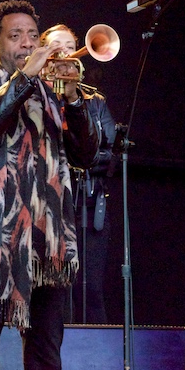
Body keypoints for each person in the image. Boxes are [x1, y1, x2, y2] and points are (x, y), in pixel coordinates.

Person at [0, 0, 99, 370]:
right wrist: (23, 81)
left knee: (47, 365)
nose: (28, 44)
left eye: (33, 36)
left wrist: (75, 101)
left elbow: (86, 156)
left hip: (48, 243)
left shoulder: (53, 96)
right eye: (15, 37)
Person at [39, 24, 117, 324]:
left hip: (86, 204)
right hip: (47, 206)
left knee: (90, 289)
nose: (63, 51)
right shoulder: (34, 94)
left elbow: (108, 151)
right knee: (55, 289)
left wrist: (75, 158)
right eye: (55, 45)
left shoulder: (93, 101)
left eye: (69, 46)